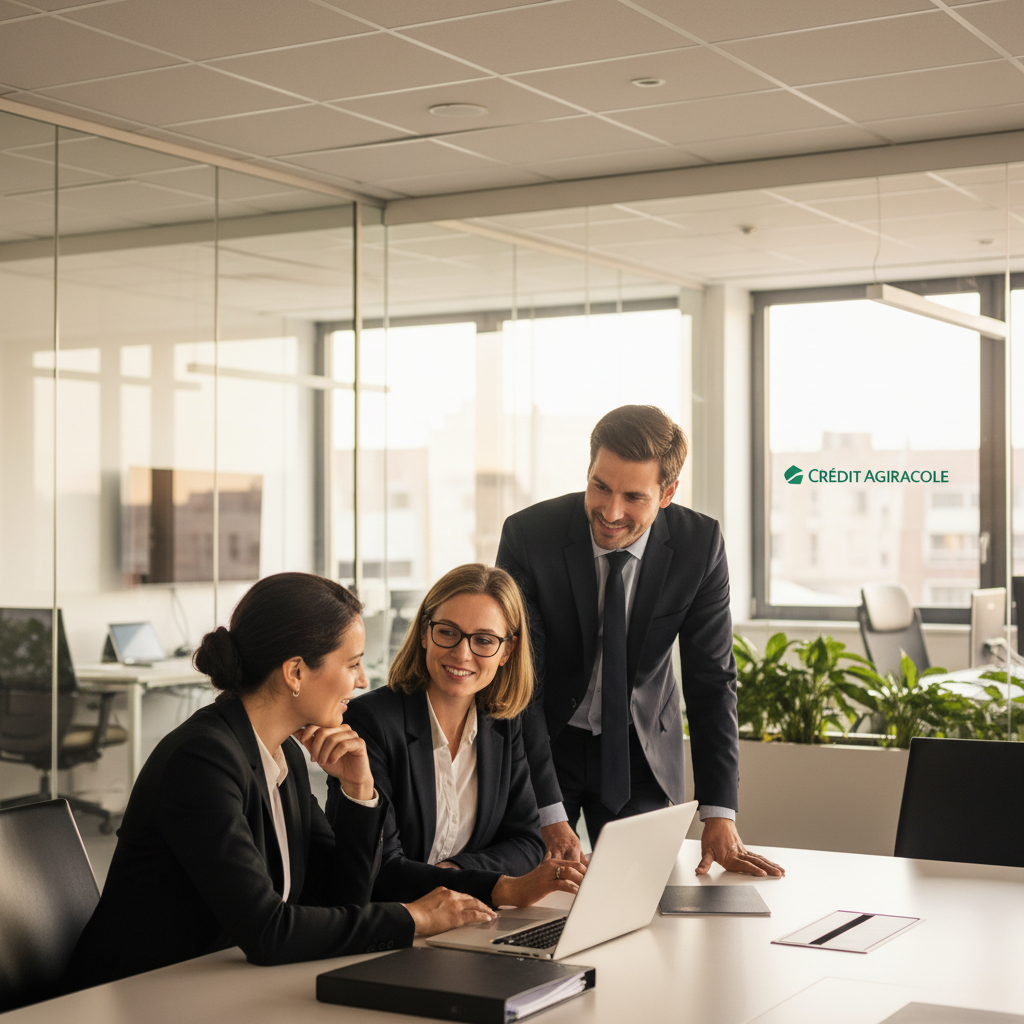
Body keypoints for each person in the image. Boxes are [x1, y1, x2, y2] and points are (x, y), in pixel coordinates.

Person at [65, 572, 496, 991]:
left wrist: (359, 793)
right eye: (352, 664)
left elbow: (341, 900)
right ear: (294, 672)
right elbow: (268, 930)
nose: (363, 681)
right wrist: (413, 917)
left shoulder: (282, 752)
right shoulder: (202, 761)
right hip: (136, 994)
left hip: (225, 985)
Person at [496, 405, 784, 878]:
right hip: (544, 742)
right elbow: (522, 678)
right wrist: (548, 811)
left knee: (644, 897)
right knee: (533, 893)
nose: (611, 513)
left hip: (639, 748)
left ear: (667, 492)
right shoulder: (530, 536)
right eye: (600, 487)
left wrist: (719, 811)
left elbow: (712, 680)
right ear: (588, 471)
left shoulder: (700, 545)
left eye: (633, 497)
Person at [329, 564, 586, 907]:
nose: (462, 653)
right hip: (396, 928)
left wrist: (455, 872)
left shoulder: (503, 724)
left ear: (507, 651)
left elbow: (527, 841)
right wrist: (498, 886)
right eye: (448, 632)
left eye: (483, 640)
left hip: (469, 919)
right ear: (424, 632)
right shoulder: (372, 722)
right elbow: (382, 870)